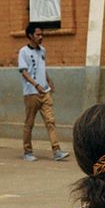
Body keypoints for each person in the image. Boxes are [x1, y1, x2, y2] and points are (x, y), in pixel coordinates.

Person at [19, 22, 68, 162]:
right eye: (38, 34)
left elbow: (42, 68)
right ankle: (27, 151)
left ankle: (56, 150)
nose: (41, 37)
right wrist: (36, 85)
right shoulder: (24, 52)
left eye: (42, 34)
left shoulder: (42, 51)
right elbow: (24, 72)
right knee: (29, 123)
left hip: (44, 92)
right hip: (31, 93)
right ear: (30, 36)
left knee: (50, 121)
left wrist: (48, 80)